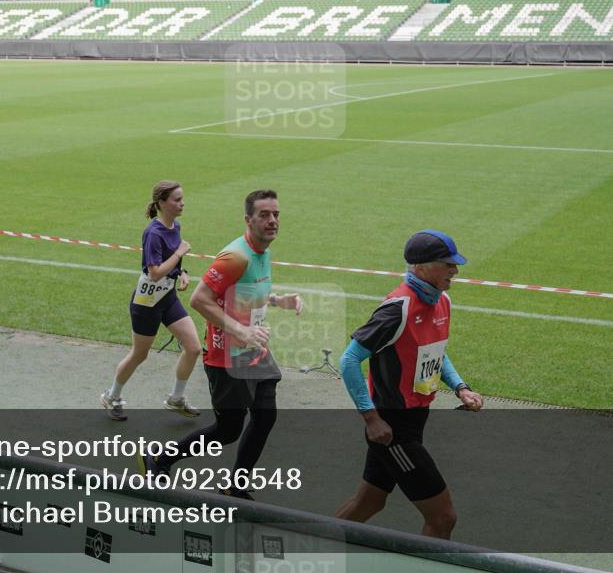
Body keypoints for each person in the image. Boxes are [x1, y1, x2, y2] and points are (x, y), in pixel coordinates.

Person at [141, 189, 302, 499]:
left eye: (276, 214)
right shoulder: (235, 256)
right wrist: (240, 332)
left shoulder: (262, 252)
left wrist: (280, 300)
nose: (272, 221)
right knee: (228, 430)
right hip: (226, 356)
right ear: (248, 219)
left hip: (254, 350)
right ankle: (159, 459)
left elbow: (244, 294)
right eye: (264, 215)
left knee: (266, 415)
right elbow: (201, 299)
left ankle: (235, 486)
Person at [335, 230, 484, 539]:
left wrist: (461, 387)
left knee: (368, 503)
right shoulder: (397, 310)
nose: (454, 271)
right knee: (443, 517)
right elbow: (349, 361)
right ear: (420, 267)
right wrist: (371, 418)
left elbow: (434, 352)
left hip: (414, 421)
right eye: (447, 264)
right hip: (393, 430)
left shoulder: (442, 301)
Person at [100, 180, 204, 421]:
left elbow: (171, 264)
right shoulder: (153, 233)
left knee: (194, 347)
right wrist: (180, 253)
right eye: (177, 199)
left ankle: (175, 399)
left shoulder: (175, 226)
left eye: (182, 198)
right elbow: (155, 271)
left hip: (167, 298)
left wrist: (182, 272)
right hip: (147, 302)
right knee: (139, 354)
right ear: (162, 203)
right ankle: (111, 396)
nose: (182, 203)